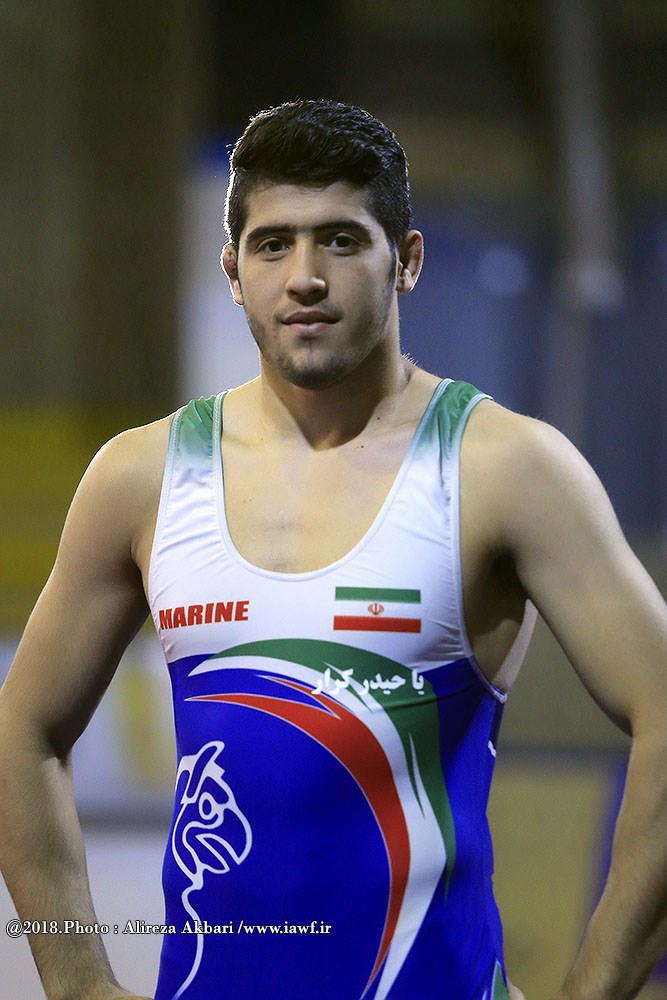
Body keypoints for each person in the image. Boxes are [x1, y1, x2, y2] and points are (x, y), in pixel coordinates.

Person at [0, 99, 666, 1000]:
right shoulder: (142, 477)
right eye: (273, 245)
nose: (305, 277)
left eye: (341, 241)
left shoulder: (504, 469)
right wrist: (77, 980)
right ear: (233, 273)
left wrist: (595, 989)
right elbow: (21, 731)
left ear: (408, 260)